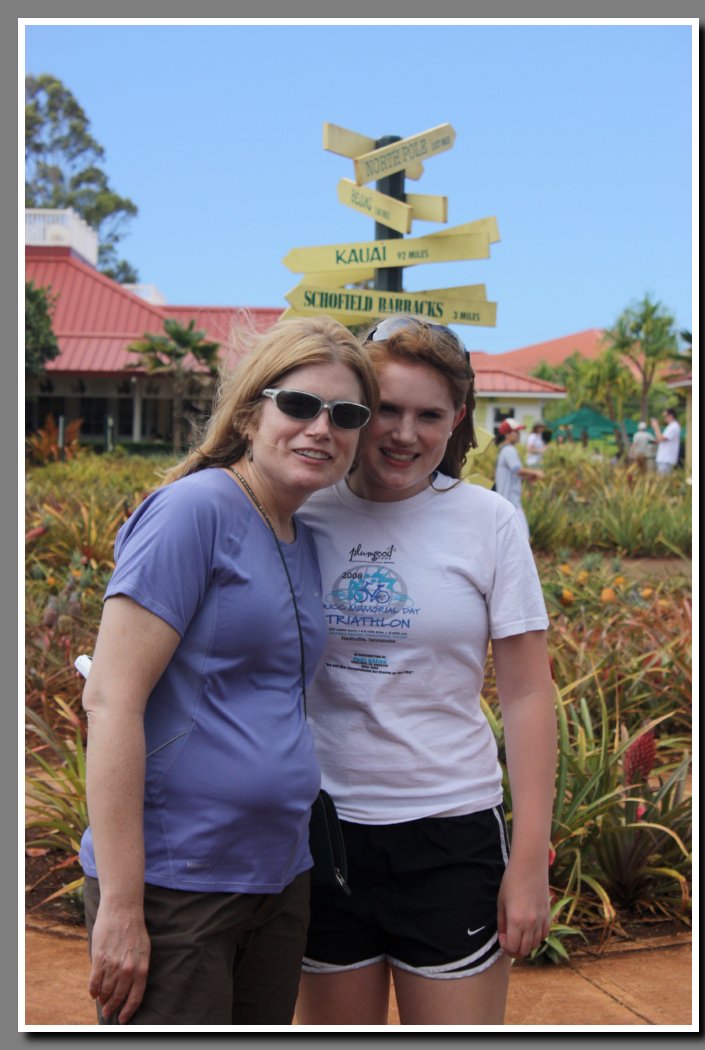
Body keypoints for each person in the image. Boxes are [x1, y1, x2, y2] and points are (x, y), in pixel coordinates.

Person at [78, 315, 379, 1026]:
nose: (321, 428)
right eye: (299, 404)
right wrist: (121, 905)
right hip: (178, 882)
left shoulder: (299, 533)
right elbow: (112, 701)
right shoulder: (194, 511)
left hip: (278, 876)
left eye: (346, 414)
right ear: (249, 413)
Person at [295, 316, 557, 1026]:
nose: (404, 434)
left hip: (451, 833)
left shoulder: (489, 522)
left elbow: (527, 695)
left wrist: (528, 861)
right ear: (356, 406)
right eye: (386, 408)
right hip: (321, 830)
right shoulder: (303, 509)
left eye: (429, 415)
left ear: (457, 419)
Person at [494, 418, 544, 538]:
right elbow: (517, 469)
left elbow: (514, 473)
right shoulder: (509, 450)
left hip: (507, 501)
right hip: (511, 502)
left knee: (512, 538)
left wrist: (529, 476)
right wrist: (536, 472)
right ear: (507, 434)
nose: (518, 434)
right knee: (523, 537)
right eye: (515, 432)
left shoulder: (504, 449)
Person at [651, 408, 681, 475]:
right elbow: (659, 439)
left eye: (665, 416)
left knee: (663, 479)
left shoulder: (674, 426)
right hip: (663, 458)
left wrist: (656, 427)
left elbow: (662, 438)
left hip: (666, 459)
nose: (664, 418)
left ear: (670, 416)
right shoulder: (670, 426)